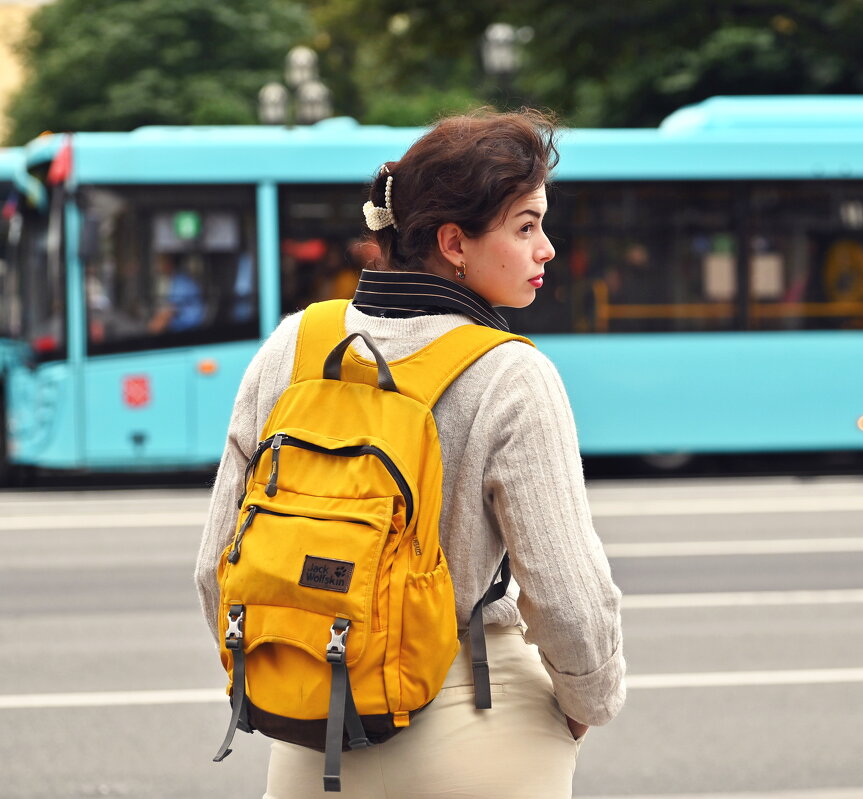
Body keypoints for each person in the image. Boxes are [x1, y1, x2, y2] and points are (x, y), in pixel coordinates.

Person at [194, 108, 626, 799]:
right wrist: (586, 704)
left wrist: (295, 677)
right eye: (525, 225)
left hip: (319, 731)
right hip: (480, 724)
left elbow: (218, 564)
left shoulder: (295, 346)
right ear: (454, 241)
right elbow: (571, 603)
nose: (546, 248)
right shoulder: (511, 374)